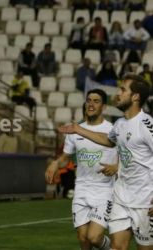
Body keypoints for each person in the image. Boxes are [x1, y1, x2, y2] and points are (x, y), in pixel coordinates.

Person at [58, 73, 153, 249]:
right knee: (117, 247)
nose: (117, 93)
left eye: (123, 90)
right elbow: (108, 140)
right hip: (121, 197)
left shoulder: (147, 124)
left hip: (144, 200)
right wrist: (79, 129)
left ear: (135, 96)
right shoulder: (120, 124)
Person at [46, 89, 118, 250]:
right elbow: (66, 158)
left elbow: (125, 157)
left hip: (105, 191)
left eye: (96, 101)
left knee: (94, 237)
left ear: (104, 107)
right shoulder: (73, 132)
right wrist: (55, 163)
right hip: (81, 191)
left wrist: (116, 166)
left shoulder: (113, 129)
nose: (91, 104)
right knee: (84, 241)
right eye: (89, 100)